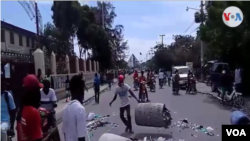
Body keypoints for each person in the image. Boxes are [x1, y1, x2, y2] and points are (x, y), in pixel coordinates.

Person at [62, 75, 87, 141]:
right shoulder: (80, 109)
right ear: (80, 91)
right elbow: (81, 138)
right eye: (83, 89)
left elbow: (65, 134)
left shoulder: (65, 109)